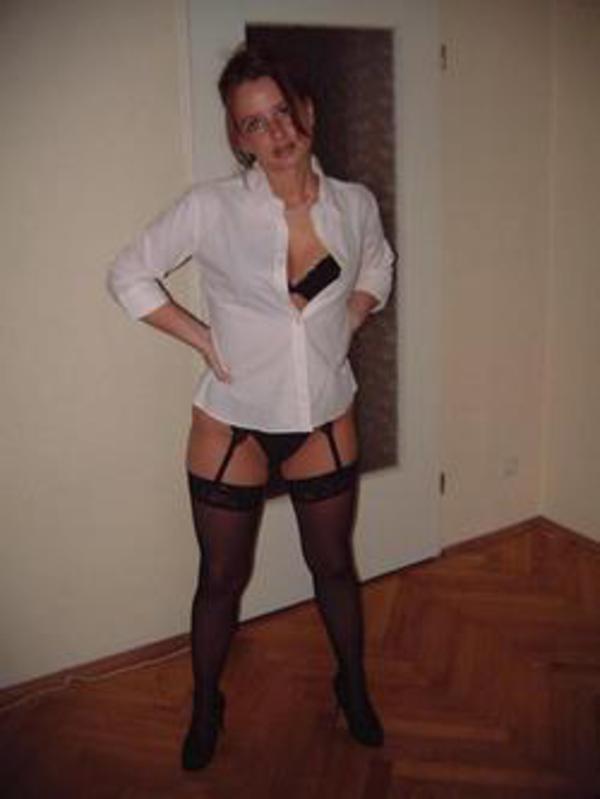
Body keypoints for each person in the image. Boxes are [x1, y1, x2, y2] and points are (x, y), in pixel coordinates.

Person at [106, 44, 394, 771]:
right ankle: (207, 704)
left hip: (323, 418)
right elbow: (129, 275)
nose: (277, 132)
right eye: (254, 123)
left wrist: (355, 311)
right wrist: (202, 338)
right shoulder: (212, 208)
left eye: (283, 112)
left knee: (334, 567)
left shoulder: (354, 204)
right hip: (231, 424)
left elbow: (378, 263)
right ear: (239, 137)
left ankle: (352, 684)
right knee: (220, 580)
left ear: (307, 110)